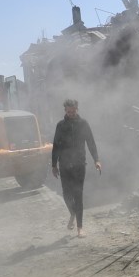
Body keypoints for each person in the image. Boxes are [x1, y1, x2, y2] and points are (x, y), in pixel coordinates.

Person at [51, 99, 101, 236]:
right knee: (66, 195)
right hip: (65, 165)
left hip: (79, 165)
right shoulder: (60, 125)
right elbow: (55, 146)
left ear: (77, 109)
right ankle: (72, 213)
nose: (71, 114)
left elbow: (91, 142)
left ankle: (80, 227)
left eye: (73, 111)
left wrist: (96, 160)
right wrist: (54, 165)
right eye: (68, 112)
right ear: (65, 111)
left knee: (78, 195)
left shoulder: (83, 124)